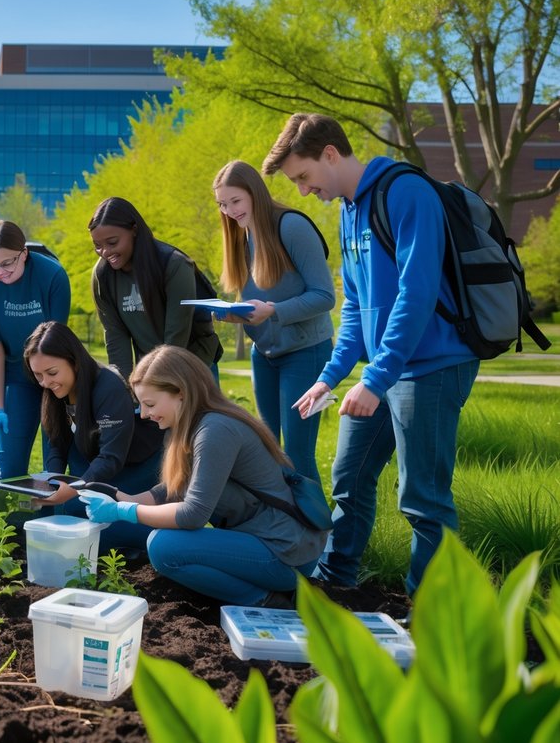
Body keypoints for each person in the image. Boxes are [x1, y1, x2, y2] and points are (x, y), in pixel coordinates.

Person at [263, 112, 477, 595]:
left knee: (422, 498)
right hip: (387, 370)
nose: (302, 190)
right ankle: (337, 582)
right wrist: (330, 376)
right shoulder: (348, 210)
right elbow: (357, 306)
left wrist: (376, 379)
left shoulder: (407, 192)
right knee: (348, 476)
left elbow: (415, 294)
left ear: (331, 155)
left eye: (303, 176)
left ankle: (433, 610)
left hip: (434, 365)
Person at [84, 346, 326, 606]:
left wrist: (124, 510)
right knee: (163, 543)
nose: (143, 414)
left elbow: (193, 514)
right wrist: (122, 497)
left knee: (164, 546)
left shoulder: (215, 430)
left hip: (285, 553)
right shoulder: (193, 426)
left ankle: (265, 601)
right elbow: (174, 489)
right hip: (271, 545)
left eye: (150, 403)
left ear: (181, 393)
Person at [214, 160, 335, 485]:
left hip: (306, 353)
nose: (229, 211)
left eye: (235, 201)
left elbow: (325, 296)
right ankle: (285, 530)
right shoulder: (240, 235)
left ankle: (319, 534)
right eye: (222, 205)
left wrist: (273, 311)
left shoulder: (291, 226)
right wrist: (234, 313)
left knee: (297, 454)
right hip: (264, 355)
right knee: (269, 451)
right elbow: (257, 302)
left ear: (255, 193)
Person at [23, 321, 163, 548]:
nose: (45, 383)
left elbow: (111, 457)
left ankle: (146, 536)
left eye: (52, 372)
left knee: (79, 509)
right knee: (69, 508)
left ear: (74, 361)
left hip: (136, 463)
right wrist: (52, 481)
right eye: (38, 375)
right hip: (97, 459)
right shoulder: (55, 390)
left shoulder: (108, 386)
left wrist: (73, 489)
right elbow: (57, 442)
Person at [0, 220, 71, 479]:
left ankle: (50, 515)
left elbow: (55, 343)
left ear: (24, 253)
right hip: (15, 376)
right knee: (11, 465)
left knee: (54, 463)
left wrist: (53, 386)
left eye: (6, 263)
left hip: (53, 374)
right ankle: (14, 518)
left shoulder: (53, 276)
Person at [89, 196, 223, 378]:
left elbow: (176, 337)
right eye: (97, 246)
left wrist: (157, 383)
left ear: (134, 230)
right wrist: (124, 386)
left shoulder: (174, 265)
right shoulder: (102, 274)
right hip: (149, 373)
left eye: (112, 243)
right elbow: (115, 335)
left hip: (193, 366)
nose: (105, 252)